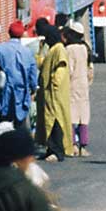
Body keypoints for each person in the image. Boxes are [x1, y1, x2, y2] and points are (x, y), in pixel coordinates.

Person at [36, 25, 72, 162]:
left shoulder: (59, 49)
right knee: (47, 122)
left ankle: (58, 151)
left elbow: (61, 68)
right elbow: (41, 64)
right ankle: (49, 149)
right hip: (47, 94)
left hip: (55, 95)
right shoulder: (52, 49)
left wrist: (54, 83)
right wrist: (40, 50)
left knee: (55, 122)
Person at [0, 20, 39, 132]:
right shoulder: (28, 52)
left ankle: (3, 147)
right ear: (21, 34)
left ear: (9, 33)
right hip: (22, 92)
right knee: (20, 123)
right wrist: (33, 88)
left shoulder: (0, 48)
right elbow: (33, 74)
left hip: (5, 92)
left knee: (4, 123)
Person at [64, 22, 93, 157]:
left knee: (71, 116)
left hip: (72, 86)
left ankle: (73, 144)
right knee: (83, 116)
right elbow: (90, 69)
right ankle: (83, 146)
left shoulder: (69, 49)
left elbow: (68, 70)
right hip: (83, 86)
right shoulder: (85, 48)